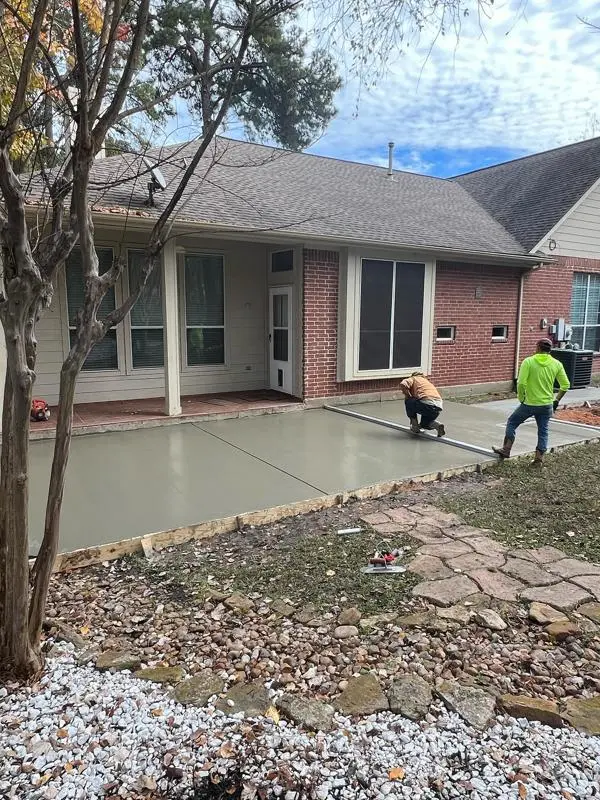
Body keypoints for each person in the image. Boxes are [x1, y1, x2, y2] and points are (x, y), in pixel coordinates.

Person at [493, 338, 570, 466]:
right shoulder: (557, 364)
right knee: (543, 431)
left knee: (512, 422)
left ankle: (506, 449)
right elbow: (565, 385)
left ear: (538, 347)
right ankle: (538, 459)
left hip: (529, 403)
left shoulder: (528, 362)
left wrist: (521, 398)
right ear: (550, 349)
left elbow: (521, 383)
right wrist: (556, 400)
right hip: (546, 405)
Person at [399, 372, 445, 437]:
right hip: (438, 406)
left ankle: (414, 426)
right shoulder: (426, 382)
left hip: (427, 403)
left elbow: (403, 384)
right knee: (425, 424)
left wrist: (408, 396)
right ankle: (437, 425)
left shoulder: (413, 378)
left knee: (408, 401)